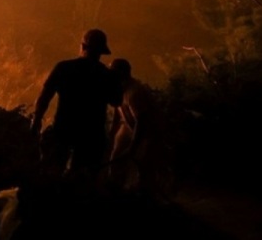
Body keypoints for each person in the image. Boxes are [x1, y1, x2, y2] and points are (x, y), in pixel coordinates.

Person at [30, 29, 122, 181]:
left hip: (63, 129)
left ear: (83, 46)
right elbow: (116, 101)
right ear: (102, 51)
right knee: (83, 180)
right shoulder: (107, 75)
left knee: (52, 174)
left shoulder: (64, 68)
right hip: (92, 134)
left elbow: (45, 96)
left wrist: (37, 120)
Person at [107, 58, 171, 199]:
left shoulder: (134, 92)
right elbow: (118, 113)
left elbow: (141, 121)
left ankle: (147, 197)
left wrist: (133, 147)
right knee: (116, 160)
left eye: (113, 72)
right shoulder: (121, 89)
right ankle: (117, 191)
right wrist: (112, 135)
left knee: (144, 166)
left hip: (148, 132)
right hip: (129, 128)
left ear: (121, 73)